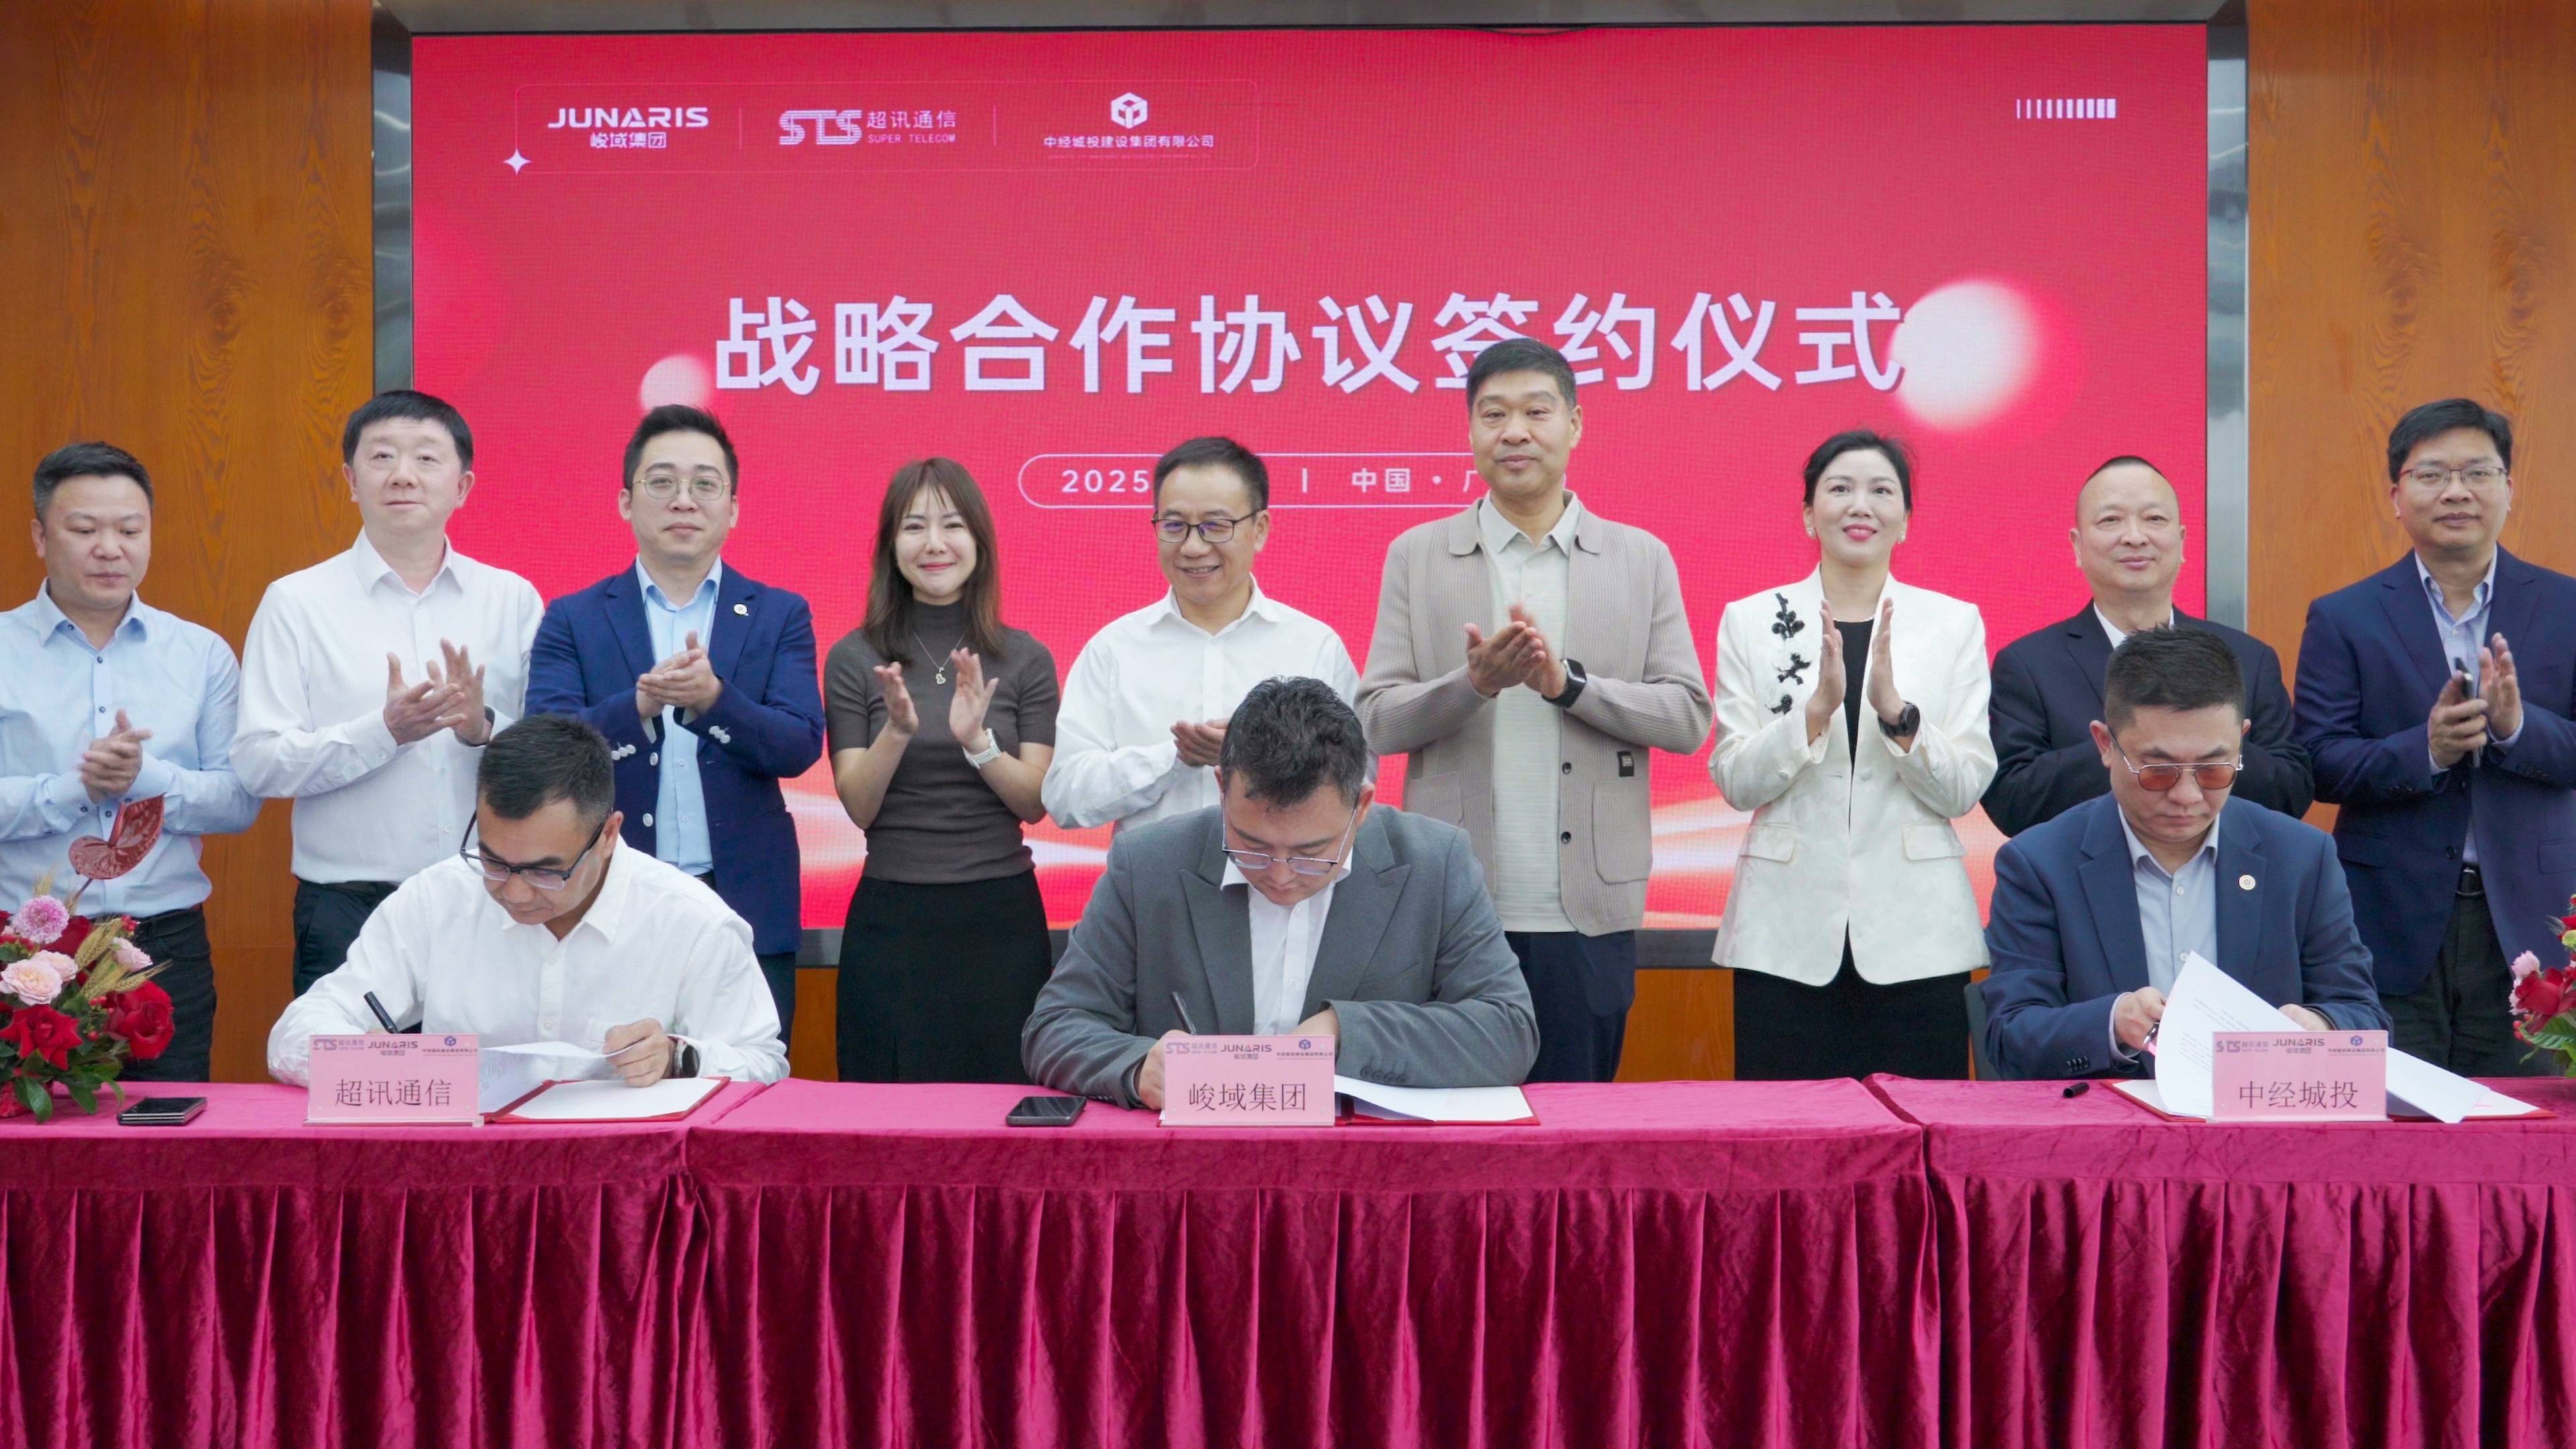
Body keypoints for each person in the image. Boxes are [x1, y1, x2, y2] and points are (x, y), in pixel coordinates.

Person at [1355, 338, 1710, 1083]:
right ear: (1471, 431)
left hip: (1590, 908)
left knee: (1577, 1124)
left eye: (1536, 412)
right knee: (1456, 1122)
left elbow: (1686, 717)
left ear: (1574, 425)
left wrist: (1568, 687)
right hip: (1454, 906)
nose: (1514, 431)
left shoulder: (1639, 557)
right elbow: (1376, 722)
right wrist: (1474, 684)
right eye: (1493, 414)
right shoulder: (1417, 555)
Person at [1024, 676, 1538, 1107]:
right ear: (1222, 788)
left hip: (1363, 1174)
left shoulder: (1433, 863)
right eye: (1251, 846)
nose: (1281, 874)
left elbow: (1508, 1031)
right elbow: (1057, 1025)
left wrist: (1343, 1033)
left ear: (1361, 806)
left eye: (1313, 853)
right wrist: (1138, 1068)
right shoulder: (1148, 863)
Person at [268, 715, 786, 1085]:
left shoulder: (692, 921)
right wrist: (374, 1062)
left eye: (545, 872)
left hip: (625, 1185)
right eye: (493, 861)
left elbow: (763, 1062)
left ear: (607, 835)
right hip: (462, 1179)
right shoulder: (437, 899)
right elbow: (297, 1032)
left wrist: (678, 1059)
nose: (513, 893)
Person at [525, 405, 823, 1044]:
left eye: (704, 484)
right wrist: (636, 707)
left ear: (732, 508)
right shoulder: (573, 618)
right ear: (626, 502)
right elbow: (545, 748)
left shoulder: (779, 614)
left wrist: (714, 701)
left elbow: (799, 743)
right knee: (613, 1081)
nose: (683, 499)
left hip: (745, 903)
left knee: (748, 1078)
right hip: (610, 900)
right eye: (661, 482)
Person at [2295, 398, 2576, 1075]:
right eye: (2431, 475)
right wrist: (2426, 750)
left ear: (2509, 488)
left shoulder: (2567, 607)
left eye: (2477, 472)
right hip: (2388, 919)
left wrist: (2515, 728)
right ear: (2397, 496)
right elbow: (2318, 762)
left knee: (2523, 1124)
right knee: (2387, 1119)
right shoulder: (2345, 617)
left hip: (2534, 924)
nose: (2456, 492)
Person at [235, 390, 543, 994]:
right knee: (356, 1059)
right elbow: (258, 763)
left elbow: (553, 751)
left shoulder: (512, 600)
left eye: (426, 458)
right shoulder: (296, 602)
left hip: (492, 897)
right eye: (382, 457)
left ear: (463, 486)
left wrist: (484, 729)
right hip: (350, 907)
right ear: (352, 481)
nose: (403, 475)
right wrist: (384, 733)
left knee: (497, 1060)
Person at [1709, 430, 1994, 1080]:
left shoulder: (1954, 624)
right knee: (1788, 1127)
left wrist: (1899, 717)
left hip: (1919, 935)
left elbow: (1964, 789)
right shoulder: (1750, 620)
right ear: (1809, 514)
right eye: (1839, 489)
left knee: (1920, 1127)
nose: (1860, 505)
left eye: (1881, 491)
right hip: (1784, 935)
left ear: (1905, 521)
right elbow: (1735, 779)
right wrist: (1813, 714)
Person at [1982, 629, 2388, 1079]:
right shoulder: (2039, 864)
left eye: (2214, 770)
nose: (2187, 796)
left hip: (2259, 1110)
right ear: (2105, 745)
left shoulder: (2301, 857)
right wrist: (2112, 1023)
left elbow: (2363, 1016)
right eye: (2159, 771)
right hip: (2107, 1116)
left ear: (2242, 741)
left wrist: (2321, 1026)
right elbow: (2010, 1035)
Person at [1, 442, 259, 1081]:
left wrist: (148, 780)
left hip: (162, 945)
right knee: (28, 1134)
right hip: (21, 946)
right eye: (85, 529)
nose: (109, 548)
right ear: (40, 536)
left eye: (129, 530)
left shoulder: (200, 654)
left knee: (163, 1128)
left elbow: (238, 801)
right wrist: (75, 790)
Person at [824, 459, 1059, 1082]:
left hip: (1001, 921)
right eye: (914, 527)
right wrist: (897, 732)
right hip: (891, 921)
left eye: (952, 525)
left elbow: (1034, 801)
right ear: (890, 545)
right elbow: (859, 806)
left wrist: (978, 741)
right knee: (887, 1109)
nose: (934, 544)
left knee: (1004, 1104)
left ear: (978, 541)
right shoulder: (854, 657)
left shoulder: (1025, 658)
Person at [1042, 436, 1358, 837]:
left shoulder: (1314, 646)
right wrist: (1174, 759)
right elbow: (1066, 797)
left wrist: (1260, 758)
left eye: (1215, 526)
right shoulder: (1113, 649)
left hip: (1281, 874)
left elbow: (1354, 783)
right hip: (1154, 875)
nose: (1193, 547)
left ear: (1259, 529)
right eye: (1174, 526)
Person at [1983, 455, 2312, 836]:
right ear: (2077, 545)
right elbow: (2012, 801)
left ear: (2182, 541)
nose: (2135, 537)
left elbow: (2292, 790)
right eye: (2111, 520)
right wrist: (2135, 745)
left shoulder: (2248, 658)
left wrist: (2210, 746)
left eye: (2154, 519)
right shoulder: (2028, 664)